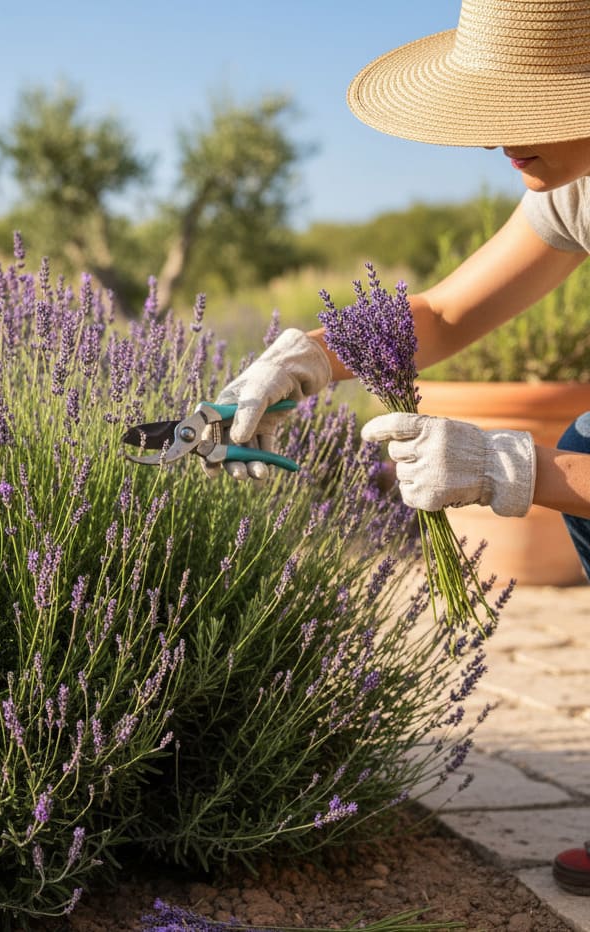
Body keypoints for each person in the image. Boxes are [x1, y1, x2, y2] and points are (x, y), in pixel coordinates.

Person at [209, 0, 590, 896]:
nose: (498, 140)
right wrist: (310, 357)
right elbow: (450, 311)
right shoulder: (576, 187)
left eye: (525, 106)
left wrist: (512, 469)